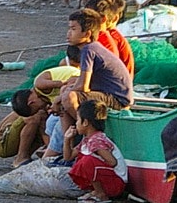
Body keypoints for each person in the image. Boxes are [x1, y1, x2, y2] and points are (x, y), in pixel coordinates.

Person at [57, 8, 133, 143]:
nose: (68, 33)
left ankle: (90, 136)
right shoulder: (90, 48)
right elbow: (82, 81)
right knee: (65, 90)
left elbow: (84, 87)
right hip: (105, 92)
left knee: (69, 96)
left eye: (73, 29)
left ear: (87, 33)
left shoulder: (89, 50)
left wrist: (58, 99)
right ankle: (68, 145)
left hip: (117, 99)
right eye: (69, 28)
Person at [64, 98, 125, 203]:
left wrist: (94, 161)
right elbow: (68, 157)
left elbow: (112, 162)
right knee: (82, 160)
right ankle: (96, 191)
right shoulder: (88, 139)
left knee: (87, 161)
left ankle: (100, 194)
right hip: (109, 180)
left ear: (86, 122)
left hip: (117, 183)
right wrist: (67, 139)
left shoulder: (96, 140)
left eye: (78, 120)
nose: (76, 123)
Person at [0, 89, 48, 167]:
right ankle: (21, 157)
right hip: (1, 143)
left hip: (14, 138)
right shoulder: (32, 101)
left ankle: (34, 153)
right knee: (35, 117)